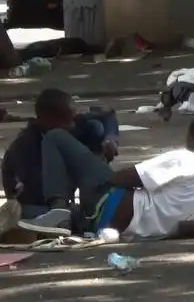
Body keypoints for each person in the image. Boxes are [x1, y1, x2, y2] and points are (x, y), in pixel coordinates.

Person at [16, 114, 194, 239]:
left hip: (111, 203)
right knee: (27, 214)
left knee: (56, 138)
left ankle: (58, 209)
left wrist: (97, 163)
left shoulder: (184, 159)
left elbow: (125, 178)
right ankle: (53, 214)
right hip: (118, 227)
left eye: (189, 138)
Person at [1, 89, 120, 220]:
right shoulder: (24, 147)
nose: (73, 125)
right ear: (48, 119)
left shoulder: (71, 126)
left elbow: (106, 116)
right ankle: (73, 215)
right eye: (67, 120)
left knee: (95, 127)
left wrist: (110, 139)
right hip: (35, 202)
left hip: (70, 193)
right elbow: (35, 191)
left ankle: (94, 200)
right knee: (22, 215)